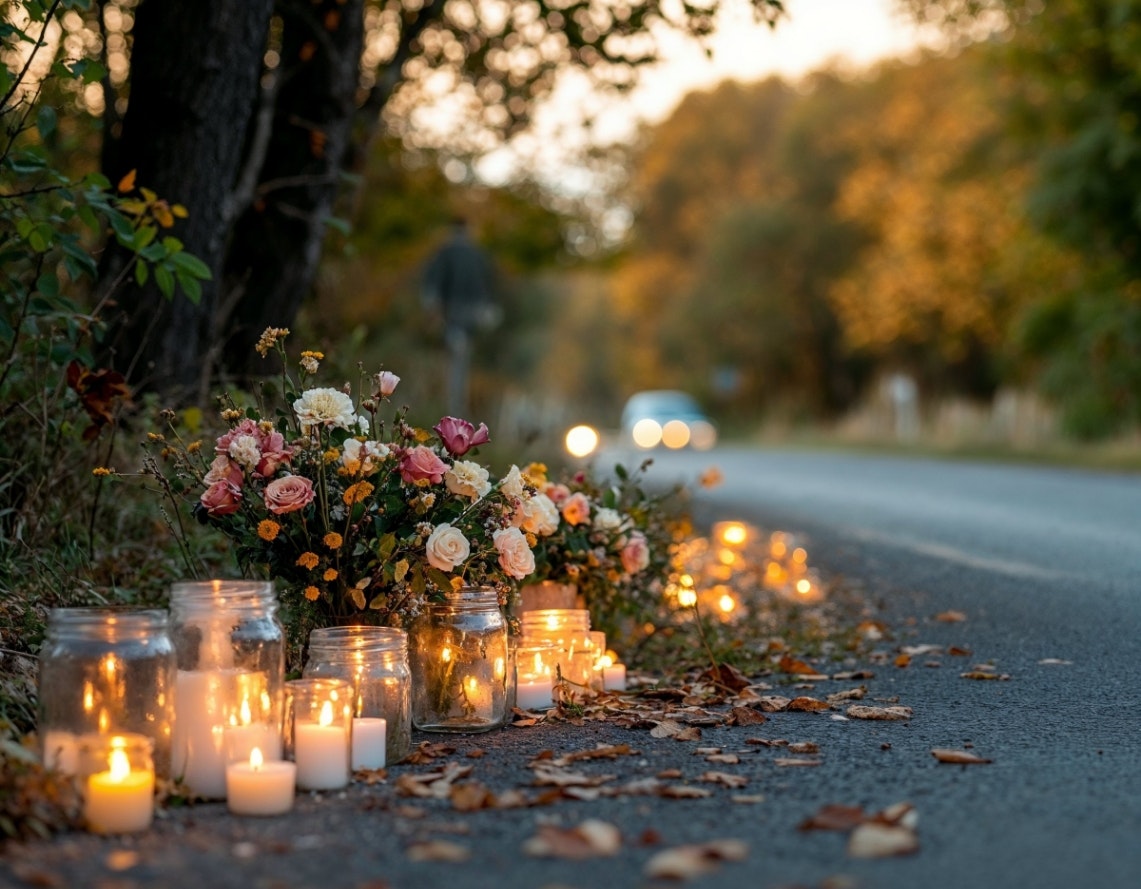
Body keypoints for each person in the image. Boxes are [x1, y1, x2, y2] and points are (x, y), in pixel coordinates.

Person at [421, 218, 500, 416]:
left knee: (457, 362)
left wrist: (432, 307)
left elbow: (433, 285)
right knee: (458, 361)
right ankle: (453, 411)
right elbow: (488, 284)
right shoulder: (476, 254)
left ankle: (454, 411)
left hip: (456, 317)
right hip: (467, 316)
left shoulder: (448, 252)